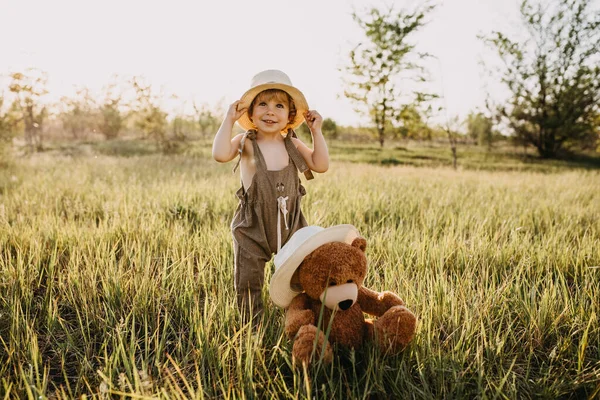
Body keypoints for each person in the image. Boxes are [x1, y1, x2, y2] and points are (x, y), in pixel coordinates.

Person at [212, 69, 329, 325]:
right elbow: (220, 154)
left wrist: (316, 132)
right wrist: (228, 120)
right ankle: (251, 325)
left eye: (279, 105)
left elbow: (320, 165)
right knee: (248, 278)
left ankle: (301, 320)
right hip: (252, 224)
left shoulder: (292, 144)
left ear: (289, 115)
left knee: (301, 275)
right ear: (250, 112)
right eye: (262, 104)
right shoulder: (245, 142)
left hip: (292, 223)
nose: (270, 111)